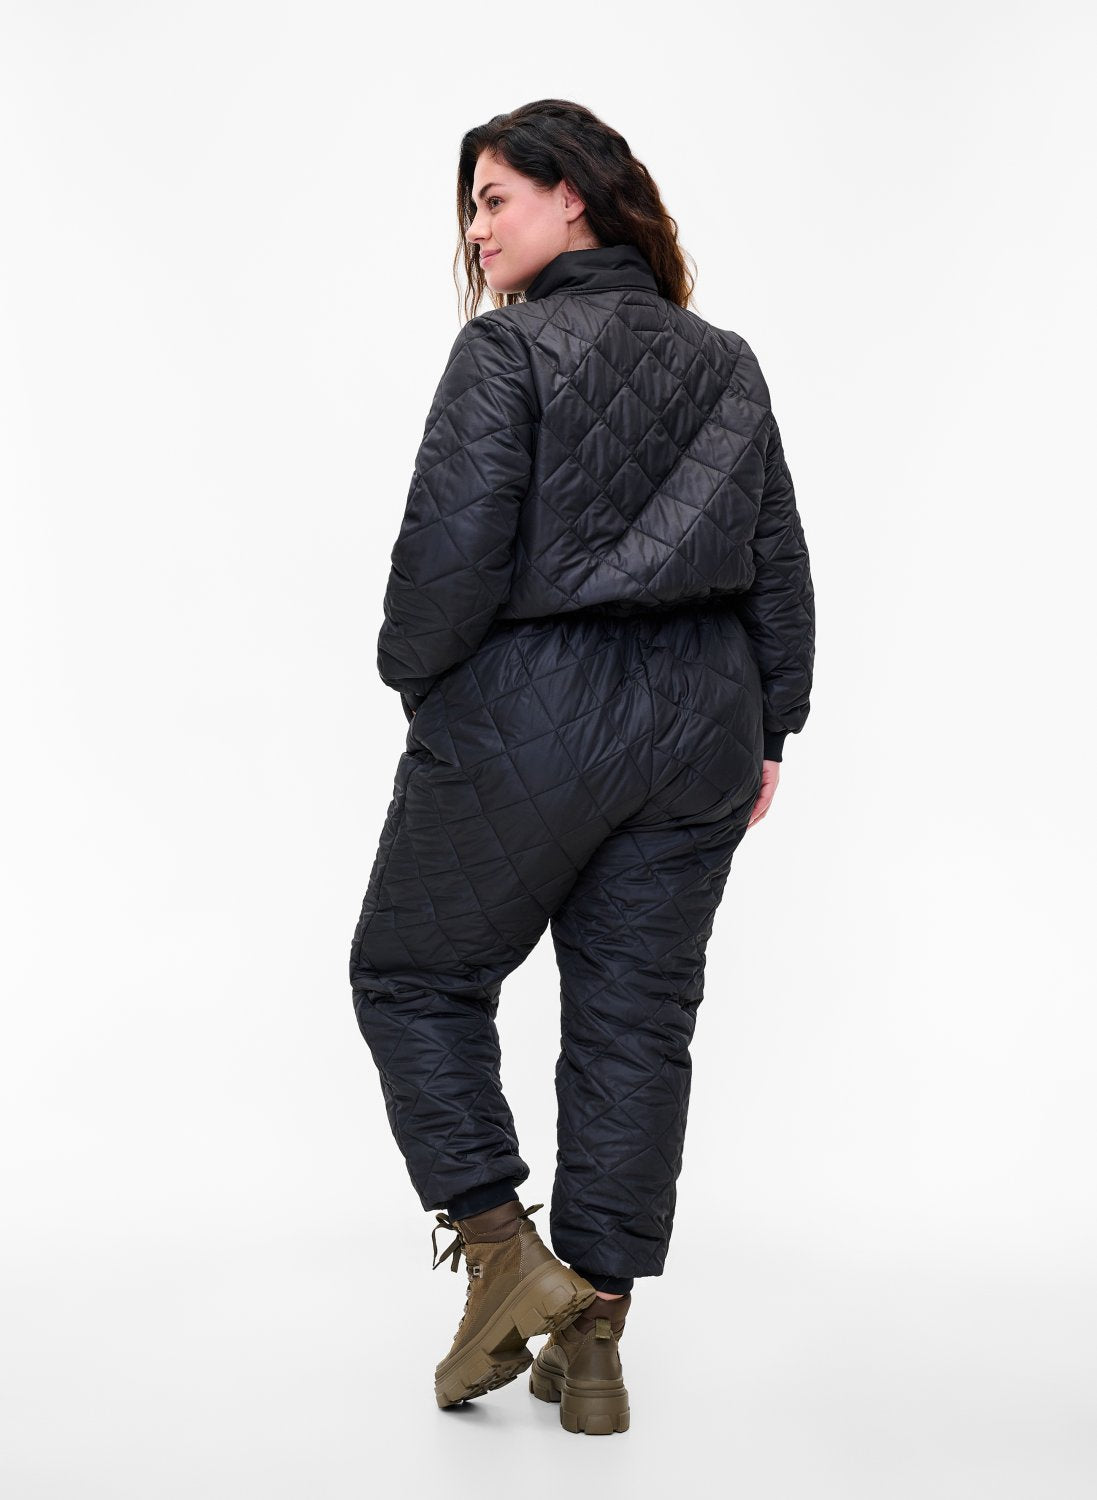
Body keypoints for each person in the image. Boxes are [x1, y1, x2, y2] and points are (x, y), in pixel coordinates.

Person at [348, 98, 815, 1435]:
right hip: (704, 727)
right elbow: (778, 560)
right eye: (472, 205)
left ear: (576, 198)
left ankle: (504, 1257)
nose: (476, 228)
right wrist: (770, 728)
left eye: (494, 197)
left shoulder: (505, 353)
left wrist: (423, 687)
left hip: (535, 714)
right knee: (633, 1025)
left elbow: (445, 560)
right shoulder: (725, 360)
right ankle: (593, 1340)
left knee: (411, 975)